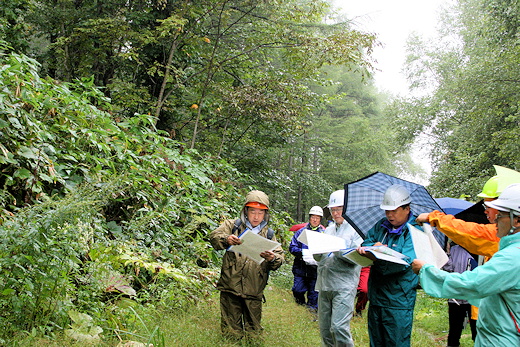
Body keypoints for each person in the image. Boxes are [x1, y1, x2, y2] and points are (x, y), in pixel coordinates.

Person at [412, 183, 520, 347]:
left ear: (517, 220)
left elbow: (474, 284)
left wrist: (427, 271)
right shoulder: (510, 248)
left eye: (500, 214)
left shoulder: (512, 256)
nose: (494, 218)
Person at [209, 190, 284, 338]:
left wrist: (272, 258)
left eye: (260, 213)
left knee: (254, 332)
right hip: (230, 285)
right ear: (245, 211)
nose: (256, 216)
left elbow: (280, 258)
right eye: (252, 211)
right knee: (230, 332)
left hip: (254, 289)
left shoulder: (269, 234)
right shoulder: (232, 225)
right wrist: (226, 239)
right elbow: (214, 237)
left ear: (265, 214)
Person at [356, 184, 421, 347]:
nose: (389, 215)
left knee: (396, 342)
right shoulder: (381, 226)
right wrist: (372, 248)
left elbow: (406, 262)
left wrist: (379, 255)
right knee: (376, 341)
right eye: (386, 210)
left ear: (407, 208)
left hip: (398, 300)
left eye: (394, 210)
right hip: (377, 296)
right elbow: (367, 241)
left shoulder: (415, 230)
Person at [314, 189, 363, 347]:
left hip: (344, 285)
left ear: (347, 208)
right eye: (333, 210)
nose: (335, 213)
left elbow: (357, 258)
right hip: (325, 283)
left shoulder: (356, 230)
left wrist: (337, 249)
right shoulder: (328, 229)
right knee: (325, 330)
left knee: (338, 327)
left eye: (339, 209)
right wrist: (316, 250)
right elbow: (320, 258)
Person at [441, 242, 478, 346]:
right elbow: (448, 268)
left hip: (475, 298)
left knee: (477, 330)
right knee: (454, 330)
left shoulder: (481, 248)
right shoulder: (455, 249)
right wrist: (446, 254)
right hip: (456, 297)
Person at [289, 205, 325, 311]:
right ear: (309, 218)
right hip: (300, 268)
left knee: (314, 292)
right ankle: (300, 305)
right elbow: (292, 247)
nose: (315, 220)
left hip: (315, 269)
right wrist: (304, 253)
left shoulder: (323, 234)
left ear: (320, 220)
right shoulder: (301, 232)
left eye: (317, 218)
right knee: (297, 290)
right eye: (313, 217)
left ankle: (312, 311)